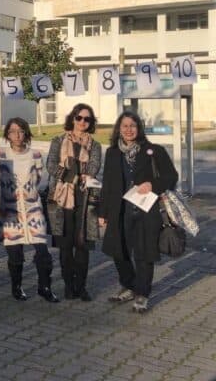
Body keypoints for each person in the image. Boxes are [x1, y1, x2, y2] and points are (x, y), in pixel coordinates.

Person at [98, 111, 178, 313]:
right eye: (124, 126)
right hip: (119, 212)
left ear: (139, 128)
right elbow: (107, 184)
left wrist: (153, 184)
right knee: (119, 252)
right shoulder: (113, 153)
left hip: (146, 212)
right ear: (119, 129)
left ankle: (142, 294)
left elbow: (171, 176)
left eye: (132, 126)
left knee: (144, 254)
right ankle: (129, 286)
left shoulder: (154, 151)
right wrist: (103, 212)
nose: (128, 130)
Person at [0, 117, 59, 303]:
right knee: (15, 254)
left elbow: (39, 179)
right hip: (10, 210)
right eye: (12, 131)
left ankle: (44, 287)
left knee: (42, 252)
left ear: (26, 133)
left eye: (20, 131)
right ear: (7, 135)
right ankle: (16, 286)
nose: (16, 135)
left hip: (32, 208)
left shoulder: (36, 155)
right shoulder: (1, 154)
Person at [45, 103, 102, 301]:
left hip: (85, 200)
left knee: (83, 244)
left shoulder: (95, 145)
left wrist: (82, 175)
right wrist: (73, 176)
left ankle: (81, 286)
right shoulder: (58, 140)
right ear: (73, 118)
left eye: (87, 119)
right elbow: (51, 164)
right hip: (62, 199)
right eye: (79, 118)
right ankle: (69, 286)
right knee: (65, 245)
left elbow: (94, 167)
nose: (82, 122)